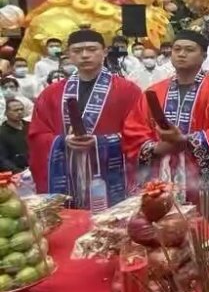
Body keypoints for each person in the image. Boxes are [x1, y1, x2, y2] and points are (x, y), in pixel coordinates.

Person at [122, 30, 209, 207]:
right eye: (176, 49)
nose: (181, 54)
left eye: (189, 50)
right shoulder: (154, 91)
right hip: (160, 172)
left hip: (201, 179)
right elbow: (134, 128)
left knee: (203, 228)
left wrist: (186, 141)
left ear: (203, 56)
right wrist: (155, 148)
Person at [28, 29, 142, 209]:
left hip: (111, 176)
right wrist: (63, 141)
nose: (85, 55)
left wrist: (101, 142)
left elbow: (140, 133)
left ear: (105, 52)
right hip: (67, 174)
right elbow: (37, 134)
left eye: (91, 49)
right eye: (77, 50)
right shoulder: (51, 94)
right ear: (68, 55)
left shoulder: (128, 91)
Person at [0, 99, 28, 173]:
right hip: (16, 172)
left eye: (21, 109)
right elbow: (3, 159)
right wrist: (20, 172)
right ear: (6, 113)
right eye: (15, 110)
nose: (19, 112)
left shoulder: (31, 126)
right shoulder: (2, 133)